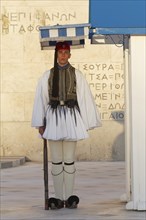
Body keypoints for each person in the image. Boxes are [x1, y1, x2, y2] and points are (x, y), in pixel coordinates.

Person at [31, 41, 101, 209]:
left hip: (71, 118)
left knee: (69, 160)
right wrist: (40, 122)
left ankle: (69, 196)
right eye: (60, 53)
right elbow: (41, 99)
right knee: (56, 160)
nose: (62, 56)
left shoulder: (77, 75)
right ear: (56, 55)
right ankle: (57, 197)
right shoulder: (47, 75)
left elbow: (84, 99)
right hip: (53, 118)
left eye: (65, 53)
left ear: (70, 55)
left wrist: (86, 121)